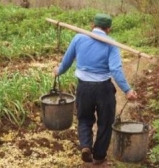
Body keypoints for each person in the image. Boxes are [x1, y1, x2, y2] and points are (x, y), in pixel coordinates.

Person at [53, 13, 137, 165]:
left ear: (92, 25)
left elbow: (67, 61)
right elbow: (116, 69)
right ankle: (98, 156)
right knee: (105, 122)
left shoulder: (78, 38)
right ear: (108, 29)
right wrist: (127, 90)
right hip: (104, 89)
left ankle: (85, 146)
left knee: (84, 119)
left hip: (84, 88)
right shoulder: (111, 44)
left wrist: (58, 71)